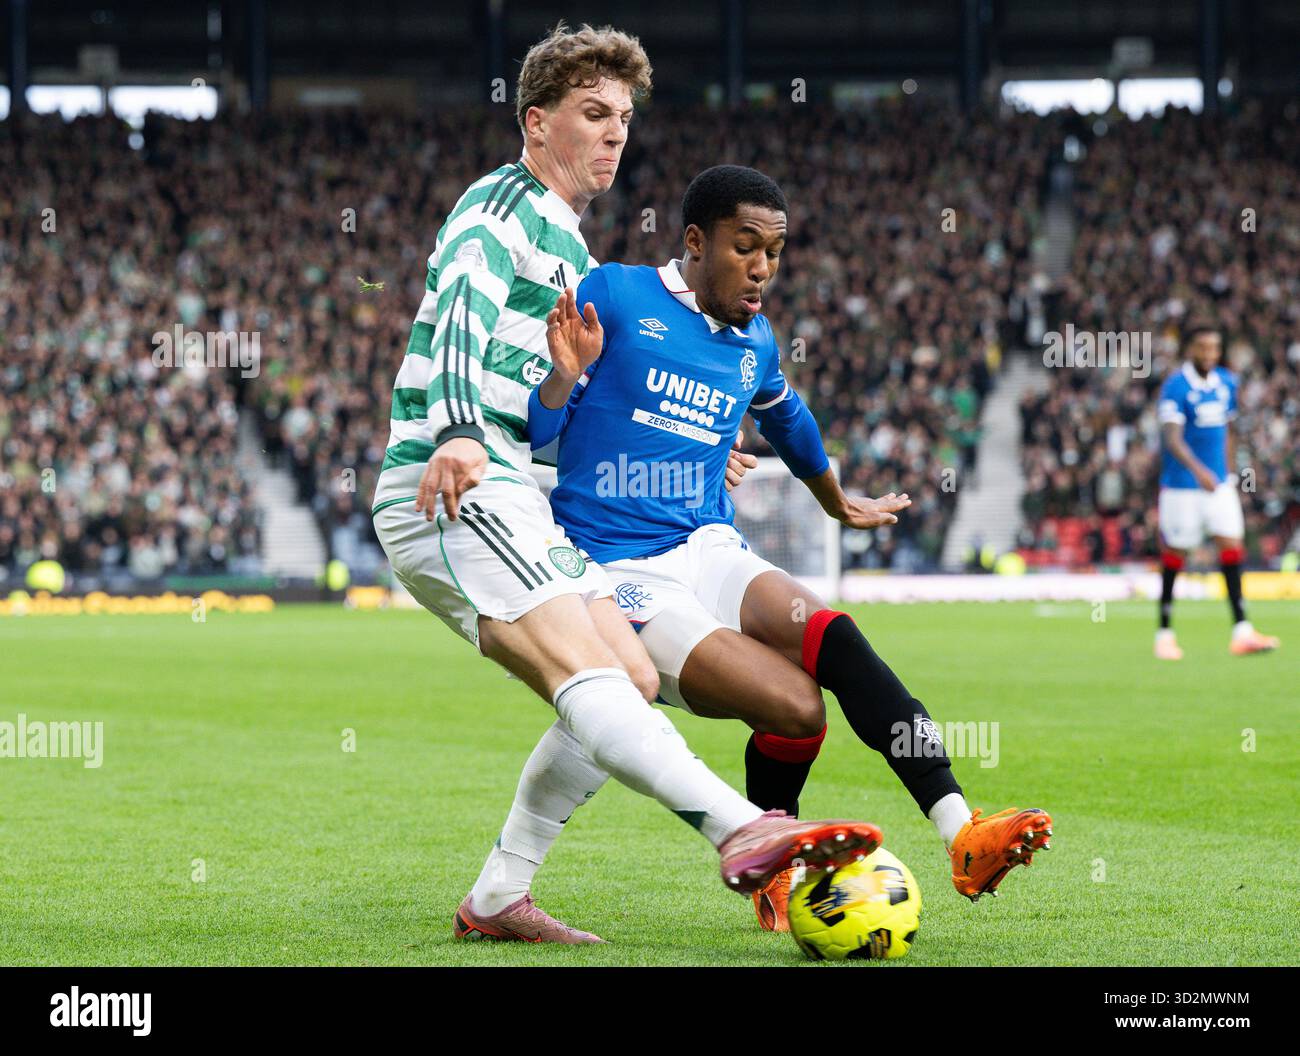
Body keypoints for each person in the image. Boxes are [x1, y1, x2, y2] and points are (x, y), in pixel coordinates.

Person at [371, 28, 884, 945]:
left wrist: (612, 410)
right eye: (593, 116)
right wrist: (452, 429)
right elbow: (457, 315)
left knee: (633, 673)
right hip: (453, 484)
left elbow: (552, 411)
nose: (614, 136)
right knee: (592, 669)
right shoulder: (501, 209)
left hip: (513, 486)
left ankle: (496, 897)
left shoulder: (569, 247)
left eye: (623, 121)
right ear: (536, 123)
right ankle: (744, 829)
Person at [474, 165, 1053, 935]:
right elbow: (540, 436)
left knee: (836, 638)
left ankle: (962, 832)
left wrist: (834, 500)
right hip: (621, 570)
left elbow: (790, 419)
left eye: (774, 253)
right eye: (745, 248)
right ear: (694, 241)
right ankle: (767, 861)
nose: (762, 269)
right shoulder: (611, 293)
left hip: (709, 544)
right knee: (794, 710)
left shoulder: (755, 339)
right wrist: (562, 378)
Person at [1154, 325, 1280, 660]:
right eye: (1202, 348)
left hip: (1219, 484)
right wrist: (1200, 472)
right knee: (1176, 554)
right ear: (1189, 349)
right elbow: (1172, 438)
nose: (1209, 354)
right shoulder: (1176, 387)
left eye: (1214, 348)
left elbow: (1229, 430)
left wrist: (1232, 473)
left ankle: (1242, 631)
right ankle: (1164, 632)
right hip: (1182, 487)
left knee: (1231, 544)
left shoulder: (1226, 382)